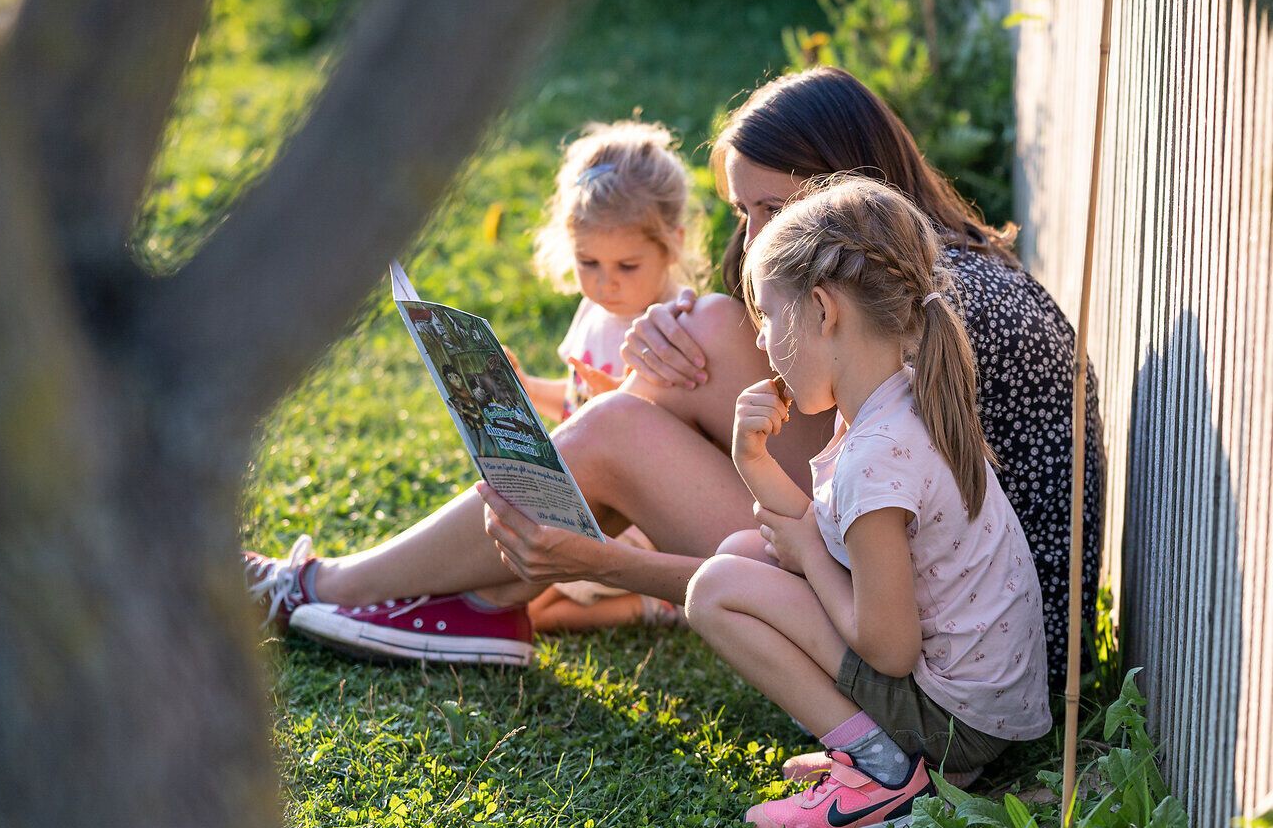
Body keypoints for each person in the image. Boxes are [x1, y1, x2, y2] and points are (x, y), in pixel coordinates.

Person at [242, 69, 1101, 681]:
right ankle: (477, 593)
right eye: (743, 213)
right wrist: (670, 333)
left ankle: (339, 589)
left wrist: (611, 562)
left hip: (951, 655)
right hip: (949, 605)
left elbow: (888, 562)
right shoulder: (920, 268)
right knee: (707, 334)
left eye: (776, 210)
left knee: (618, 430)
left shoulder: (929, 310)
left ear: (851, 183)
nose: (756, 238)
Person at [686, 175, 1050, 828]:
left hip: (956, 721)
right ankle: (892, 758)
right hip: (975, 706)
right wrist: (754, 463)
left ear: (823, 310)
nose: (764, 343)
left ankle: (882, 776)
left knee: (715, 590)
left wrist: (804, 560)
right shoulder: (898, 401)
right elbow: (817, 537)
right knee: (739, 556)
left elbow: (888, 645)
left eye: (769, 317)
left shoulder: (877, 452)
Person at [510, 120, 698, 630]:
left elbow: (680, 442)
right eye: (587, 262)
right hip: (582, 496)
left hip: (634, 518)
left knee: (533, 609)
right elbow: (574, 399)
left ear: (672, 245)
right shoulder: (593, 313)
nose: (605, 282)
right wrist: (527, 389)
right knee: (510, 577)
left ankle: (656, 604)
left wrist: (619, 399)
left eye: (627, 266)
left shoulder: (675, 326)